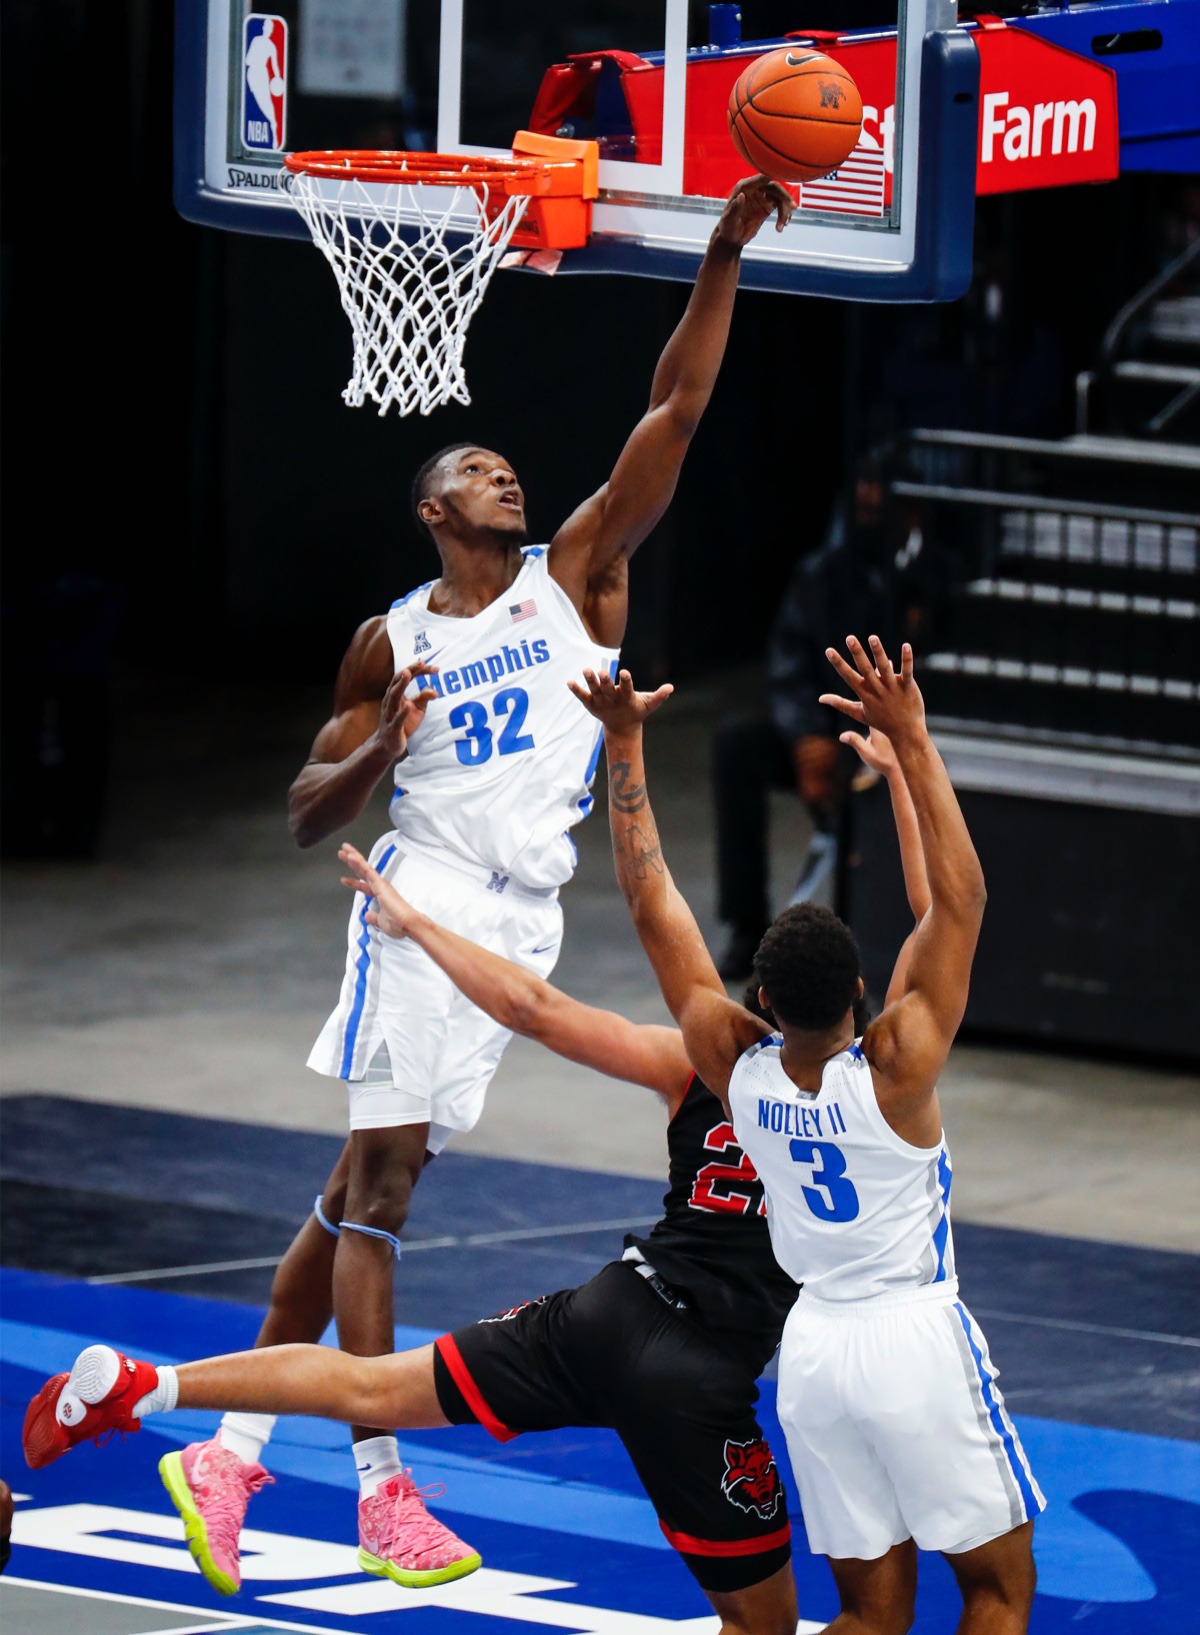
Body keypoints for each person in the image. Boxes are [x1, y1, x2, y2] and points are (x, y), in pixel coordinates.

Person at [106, 175, 796, 1599]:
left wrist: (720, 259)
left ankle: (228, 1448)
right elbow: (304, 808)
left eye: (509, 471)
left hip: (521, 914)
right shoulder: (388, 640)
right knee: (385, 1190)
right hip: (415, 889)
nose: (509, 480)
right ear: (432, 505)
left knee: (362, 1178)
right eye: (480, 470)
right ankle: (379, 1489)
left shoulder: (574, 577)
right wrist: (383, 757)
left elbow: (673, 411)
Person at [23, 832, 816, 1631]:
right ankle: (325, 1474)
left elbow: (546, 997)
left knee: (369, 1379)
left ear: (755, 1008)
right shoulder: (874, 1100)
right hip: (699, 1376)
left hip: (609, 1314)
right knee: (763, 1623)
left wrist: (417, 921)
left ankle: (148, 1385)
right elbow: (947, 922)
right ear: (858, 994)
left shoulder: (702, 1065)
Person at [570, 651, 1044, 1635]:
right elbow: (961, 905)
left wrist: (625, 745)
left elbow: (651, 904)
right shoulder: (899, 1067)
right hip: (911, 1335)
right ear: (865, 992)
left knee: (872, 1616)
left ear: (766, 1001)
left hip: (815, 1352)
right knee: (998, 1592)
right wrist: (912, 741)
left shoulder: (734, 1068)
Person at [713, 462, 902, 980]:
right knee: (738, 746)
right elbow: (790, 666)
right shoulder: (821, 574)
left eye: (879, 491)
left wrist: (875, 738)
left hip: (895, 737)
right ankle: (747, 925)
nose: (868, 499)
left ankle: (866, 941)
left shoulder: (931, 577)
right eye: (859, 488)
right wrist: (805, 740)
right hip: (824, 730)